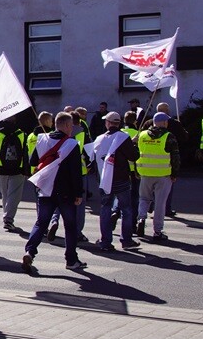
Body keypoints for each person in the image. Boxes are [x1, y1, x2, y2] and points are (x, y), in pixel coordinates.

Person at [23, 112, 85, 272]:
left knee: (41, 223)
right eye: (71, 126)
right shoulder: (72, 144)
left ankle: (30, 252)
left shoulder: (42, 139)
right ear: (65, 126)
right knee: (70, 226)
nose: (72, 129)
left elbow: (33, 161)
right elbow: (76, 172)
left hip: (45, 189)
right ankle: (71, 260)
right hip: (66, 192)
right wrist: (79, 193)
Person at [92, 112, 141, 251]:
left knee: (105, 208)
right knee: (126, 209)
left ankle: (105, 241)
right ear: (118, 123)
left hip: (104, 179)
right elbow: (133, 156)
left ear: (108, 123)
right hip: (121, 178)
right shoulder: (123, 137)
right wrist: (134, 145)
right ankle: (126, 240)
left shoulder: (99, 138)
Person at [135, 112, 181, 240]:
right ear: (164, 122)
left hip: (145, 173)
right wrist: (175, 174)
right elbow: (175, 157)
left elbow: (137, 153)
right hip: (163, 175)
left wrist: (136, 171)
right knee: (160, 204)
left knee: (144, 199)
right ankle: (157, 231)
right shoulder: (168, 136)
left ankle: (141, 219)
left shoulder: (142, 135)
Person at [0, 117, 29, 232]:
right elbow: (25, 154)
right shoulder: (22, 135)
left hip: (1, 169)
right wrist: (26, 170)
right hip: (17, 169)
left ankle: (6, 217)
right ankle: (8, 219)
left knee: (5, 195)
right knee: (14, 196)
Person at [156, 102, 188, 216]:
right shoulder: (174, 123)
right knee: (166, 186)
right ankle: (166, 208)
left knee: (151, 187)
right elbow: (184, 138)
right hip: (166, 159)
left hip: (149, 161)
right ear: (167, 111)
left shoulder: (149, 123)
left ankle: (151, 207)